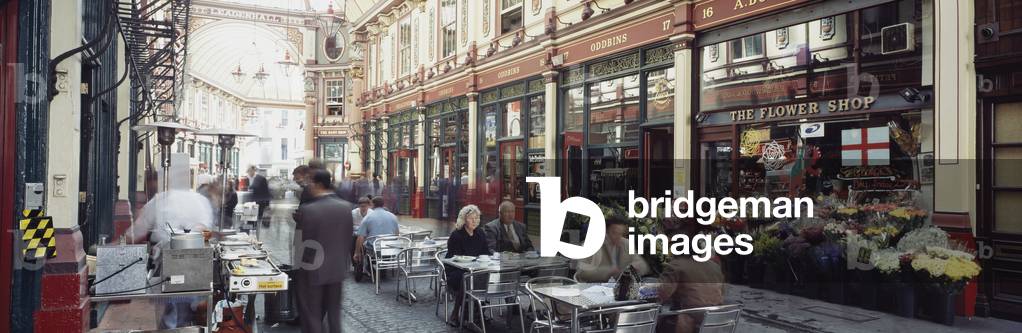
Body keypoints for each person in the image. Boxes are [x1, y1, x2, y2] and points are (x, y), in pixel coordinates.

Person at [129, 190, 214, 329]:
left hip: (177, 270)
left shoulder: (159, 200)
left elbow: (137, 230)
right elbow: (205, 230)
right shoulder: (200, 200)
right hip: (191, 272)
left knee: (171, 317)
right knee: (185, 317)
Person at [292, 168, 352, 333]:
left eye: (310, 181)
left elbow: (304, 243)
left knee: (312, 315)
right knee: (334, 315)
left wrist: (299, 269)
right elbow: (347, 239)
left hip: (313, 270)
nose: (308, 185)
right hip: (337, 269)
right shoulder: (346, 207)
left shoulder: (309, 209)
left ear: (317, 184)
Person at [657, 220, 725, 333]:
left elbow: (661, 293)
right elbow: (721, 293)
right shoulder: (715, 266)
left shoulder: (677, 265)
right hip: (714, 321)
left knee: (655, 320)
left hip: (689, 322)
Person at [444, 205, 491, 326]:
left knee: (486, 276)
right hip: (455, 270)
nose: (475, 221)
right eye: (471, 218)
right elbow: (453, 258)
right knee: (466, 278)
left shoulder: (480, 233)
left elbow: (486, 252)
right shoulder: (456, 235)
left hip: (476, 269)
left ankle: (477, 312)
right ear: (464, 219)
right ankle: (455, 314)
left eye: (477, 218)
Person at [575, 216, 651, 283]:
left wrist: (635, 267)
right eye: (614, 233)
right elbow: (582, 273)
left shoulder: (626, 243)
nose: (618, 237)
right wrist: (609, 271)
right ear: (606, 231)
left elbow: (644, 266)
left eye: (621, 233)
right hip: (593, 289)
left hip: (619, 288)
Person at [352, 196, 400, 277]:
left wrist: (356, 253)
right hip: (389, 248)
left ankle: (368, 267)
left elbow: (360, 237)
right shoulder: (393, 216)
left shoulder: (368, 217)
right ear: (383, 204)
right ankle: (381, 267)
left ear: (372, 204)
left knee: (365, 244)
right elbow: (397, 234)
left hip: (374, 249)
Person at [350, 196, 372, 279]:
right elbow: (351, 226)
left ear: (368, 206)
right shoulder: (353, 213)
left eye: (365, 206)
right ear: (359, 206)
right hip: (355, 234)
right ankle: (355, 263)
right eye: (361, 206)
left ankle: (369, 266)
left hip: (367, 235)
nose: (363, 208)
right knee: (352, 244)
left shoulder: (371, 213)